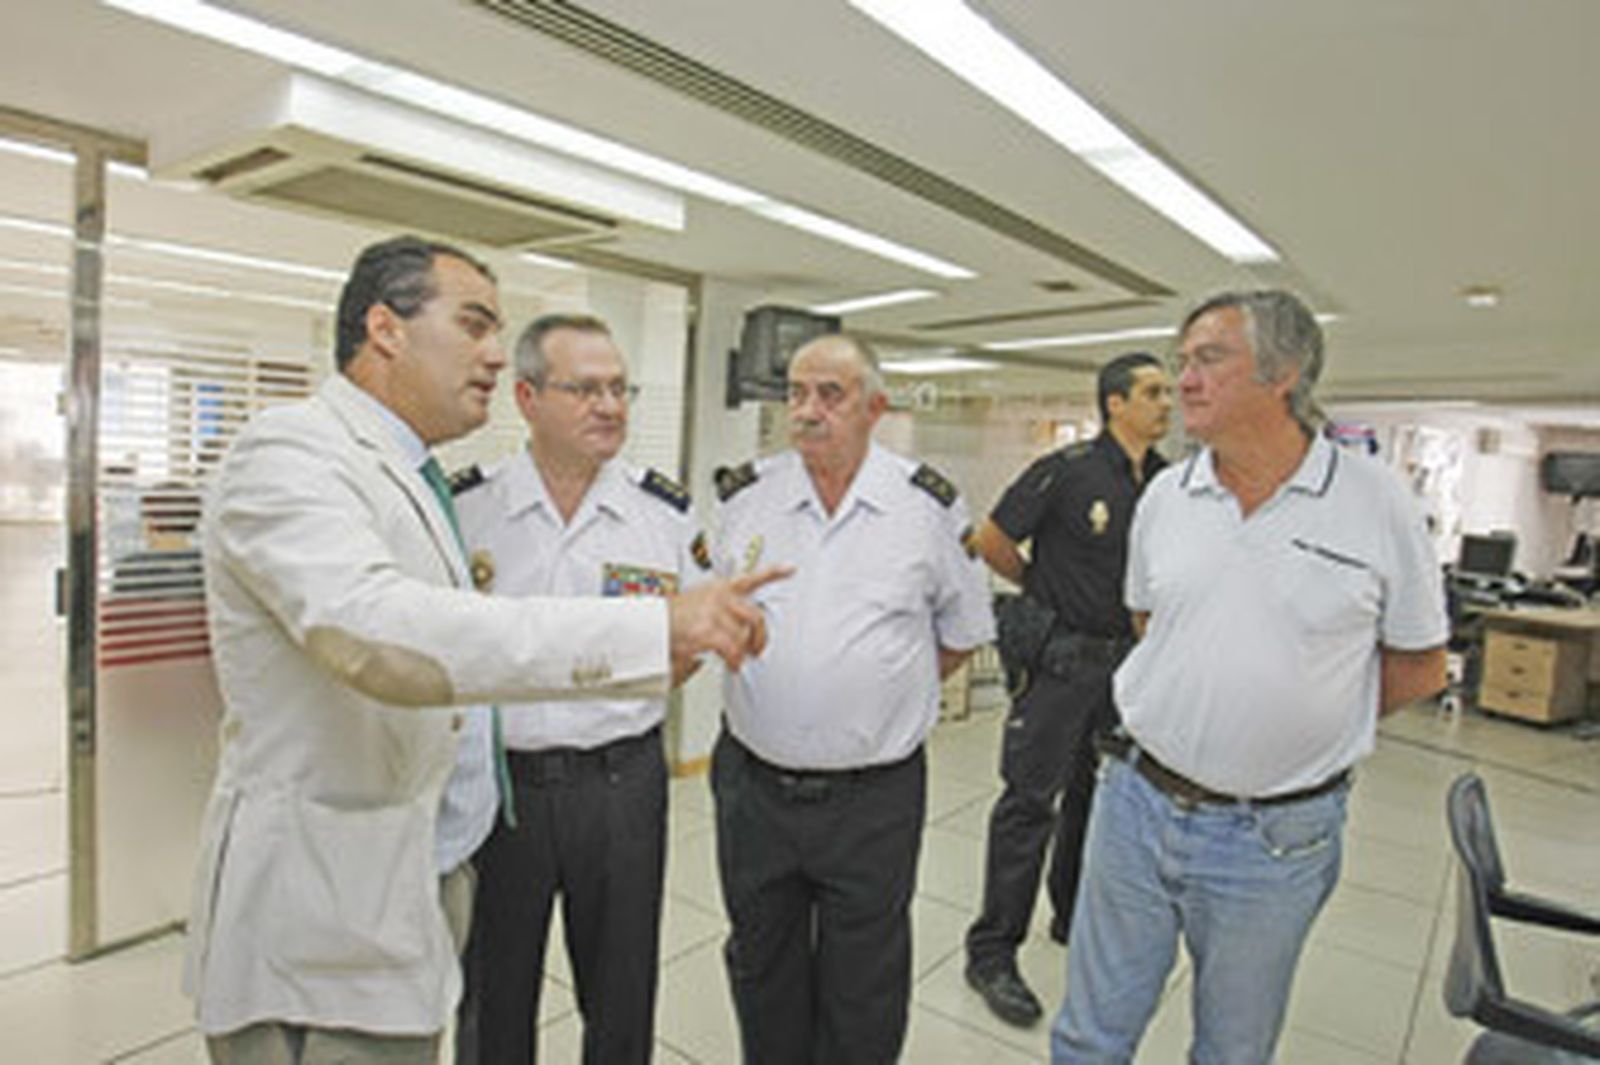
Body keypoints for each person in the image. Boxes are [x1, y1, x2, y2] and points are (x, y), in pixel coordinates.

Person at [184, 235, 781, 1065]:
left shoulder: (413, 475)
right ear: (386, 329)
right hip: (325, 914)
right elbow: (380, 632)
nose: (496, 355)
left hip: (427, 872)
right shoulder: (290, 453)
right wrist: (652, 627)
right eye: (473, 325)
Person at [1051, 290, 1447, 1064]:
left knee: (1232, 1050)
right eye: (1181, 361)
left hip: (1273, 837)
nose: (1184, 381)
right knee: (1089, 1037)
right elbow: (1150, 624)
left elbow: (1419, 663)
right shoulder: (1169, 494)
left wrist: (1300, 718)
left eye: (1209, 359)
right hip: (1134, 799)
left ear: (1284, 372)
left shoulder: (1375, 502)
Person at [710, 333, 995, 1065]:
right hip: (754, 787)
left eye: (829, 395)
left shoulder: (924, 505)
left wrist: (874, 695)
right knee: (761, 959)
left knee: (863, 977)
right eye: (795, 393)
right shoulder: (747, 498)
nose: (806, 410)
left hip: (874, 797)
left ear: (875, 406)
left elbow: (962, 632)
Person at [452, 314, 705, 1064]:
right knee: (493, 994)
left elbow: (688, 638)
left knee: (622, 993)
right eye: (586, 389)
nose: (611, 406)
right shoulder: (467, 509)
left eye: (621, 389)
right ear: (526, 397)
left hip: (621, 783)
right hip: (504, 789)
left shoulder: (664, 514)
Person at [964, 352, 1172, 1028]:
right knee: (1029, 804)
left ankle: (1070, 914)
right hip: (1061, 662)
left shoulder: (1167, 484)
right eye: (1152, 391)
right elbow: (990, 537)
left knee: (1098, 798)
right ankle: (993, 951)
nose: (1166, 402)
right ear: (1115, 403)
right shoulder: (1069, 469)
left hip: (1126, 668)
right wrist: (1037, 589)